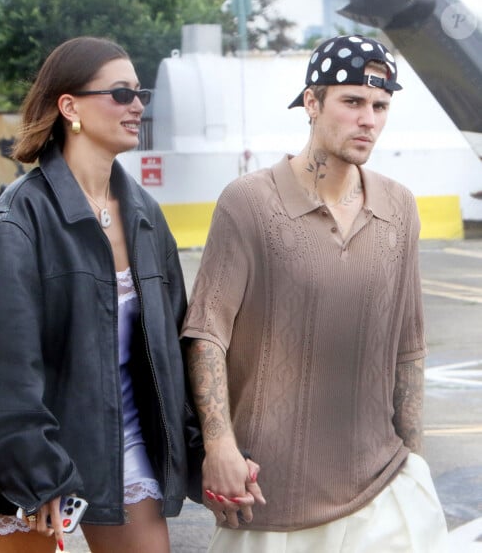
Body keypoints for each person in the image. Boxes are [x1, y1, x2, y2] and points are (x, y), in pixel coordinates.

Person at [181, 34, 449, 552]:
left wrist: (414, 463)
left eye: (380, 106)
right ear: (311, 102)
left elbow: (407, 349)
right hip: (271, 500)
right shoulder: (249, 204)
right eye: (352, 102)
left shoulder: (399, 209)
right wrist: (219, 447)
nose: (368, 119)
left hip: (385, 491)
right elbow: (206, 334)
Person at [0, 36, 200, 553]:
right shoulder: (19, 220)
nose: (137, 106)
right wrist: (37, 472)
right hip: (29, 457)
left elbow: (174, 348)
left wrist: (201, 446)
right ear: (70, 107)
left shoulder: (145, 218)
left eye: (140, 93)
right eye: (121, 93)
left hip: (123, 448)